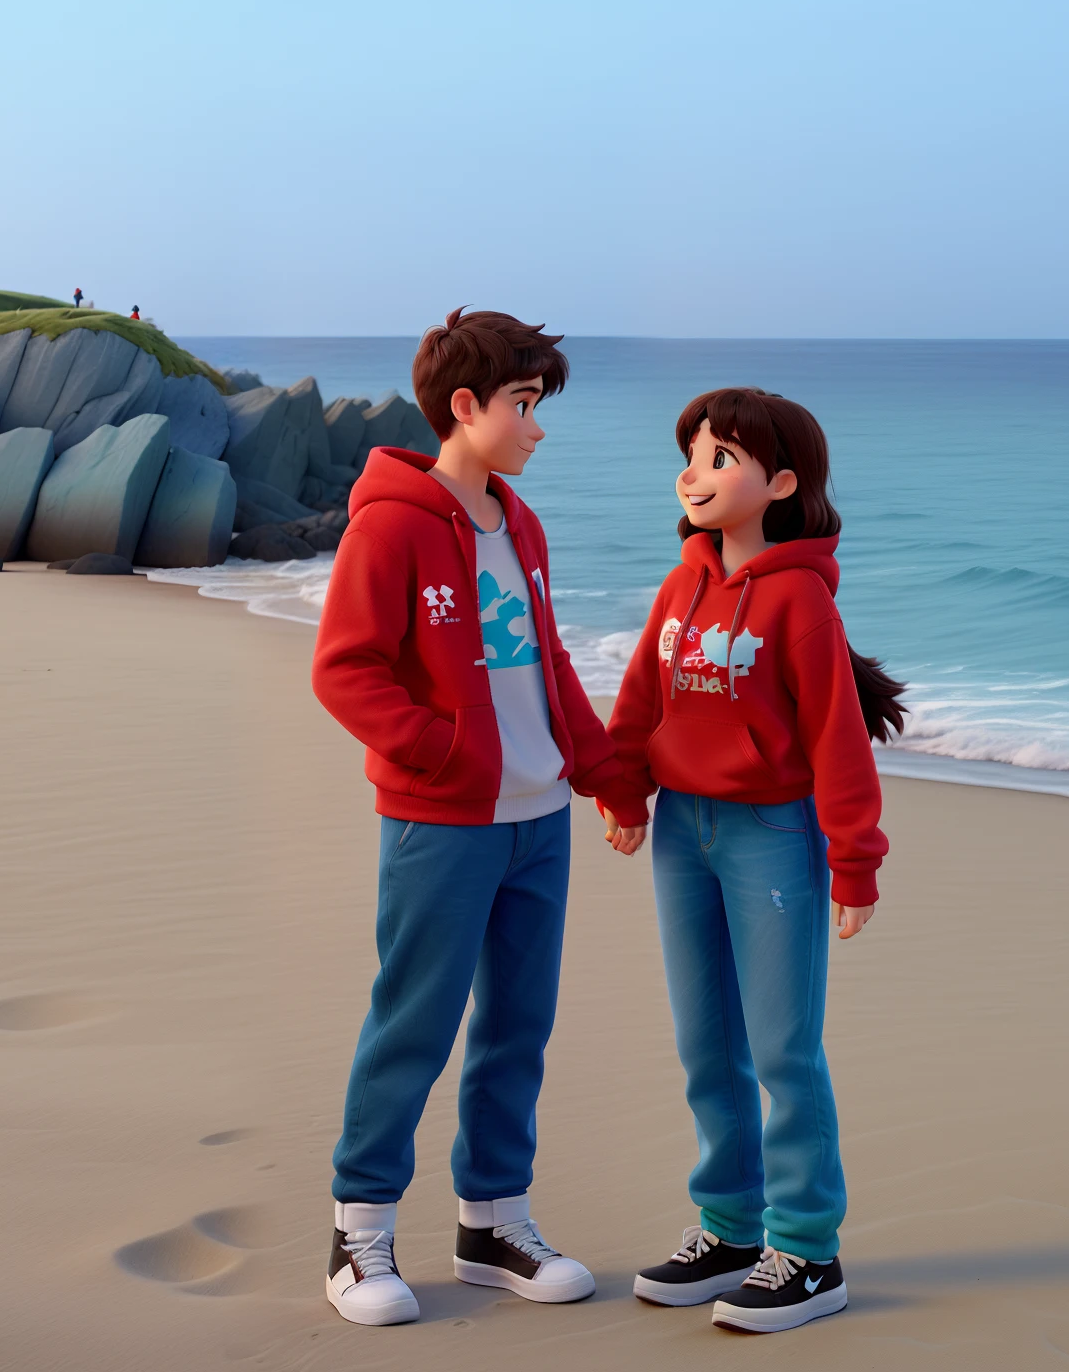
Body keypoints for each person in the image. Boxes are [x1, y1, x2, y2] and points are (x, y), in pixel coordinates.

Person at [310, 308, 646, 1328]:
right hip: (442, 820)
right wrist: (450, 753)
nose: (538, 426)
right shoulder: (393, 522)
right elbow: (345, 671)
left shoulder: (522, 523)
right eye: (525, 404)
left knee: (516, 1025)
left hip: (539, 820)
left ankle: (493, 1220)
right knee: (413, 1022)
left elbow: (547, 669)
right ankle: (358, 1231)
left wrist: (604, 775)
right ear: (466, 405)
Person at [601, 387, 906, 1334]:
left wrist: (854, 861)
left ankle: (810, 1253)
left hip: (771, 833)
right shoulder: (680, 584)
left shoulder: (800, 598)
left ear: (779, 484)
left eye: (720, 457)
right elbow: (641, 700)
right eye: (692, 452)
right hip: (685, 830)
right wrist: (622, 788)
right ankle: (730, 1228)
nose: (695, 472)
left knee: (781, 1047)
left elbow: (836, 741)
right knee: (705, 1043)